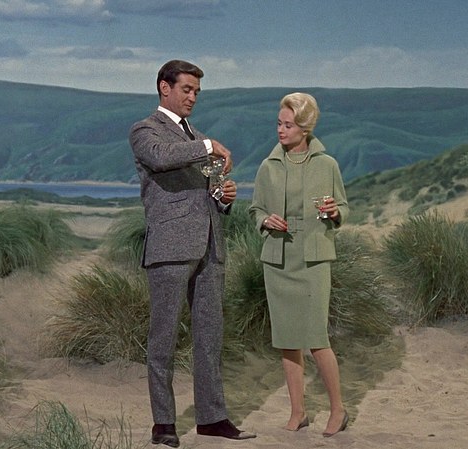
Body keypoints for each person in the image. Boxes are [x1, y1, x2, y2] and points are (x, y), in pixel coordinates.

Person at [129, 59, 256, 447]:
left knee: (210, 338)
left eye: (197, 92)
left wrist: (224, 196)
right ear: (164, 88)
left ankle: (212, 418)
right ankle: (164, 423)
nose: (193, 98)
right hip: (170, 247)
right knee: (163, 338)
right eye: (187, 89)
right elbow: (160, 157)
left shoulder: (198, 137)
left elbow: (210, 191)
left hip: (210, 246)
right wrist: (206, 147)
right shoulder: (145, 130)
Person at [249, 92, 350, 437]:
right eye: (279, 123)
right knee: (287, 339)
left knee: (317, 338)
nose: (281, 130)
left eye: (288, 125)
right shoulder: (268, 166)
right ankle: (298, 412)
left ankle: (338, 410)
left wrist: (335, 212)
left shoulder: (327, 165)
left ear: (305, 128)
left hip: (314, 259)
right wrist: (265, 221)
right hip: (278, 260)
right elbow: (255, 210)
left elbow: (344, 207)